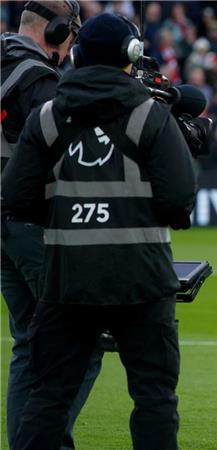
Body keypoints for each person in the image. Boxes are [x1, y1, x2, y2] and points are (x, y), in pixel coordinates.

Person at [2, 13, 196, 450]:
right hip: (143, 280)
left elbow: (16, 197)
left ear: (79, 53)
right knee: (154, 399)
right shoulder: (150, 115)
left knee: (49, 395)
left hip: (66, 279)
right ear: (131, 56)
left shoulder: (48, 116)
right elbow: (179, 199)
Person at [0, 3, 102, 449]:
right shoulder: (35, 77)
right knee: (82, 337)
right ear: (59, 30)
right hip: (33, 223)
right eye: (72, 38)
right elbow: (65, 145)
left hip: (6, 224)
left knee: (29, 342)